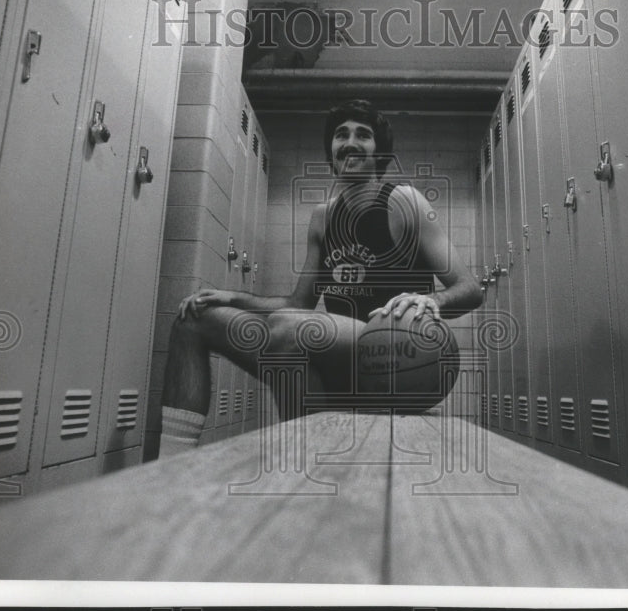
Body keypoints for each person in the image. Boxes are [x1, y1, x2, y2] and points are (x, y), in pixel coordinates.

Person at [158, 99, 483, 457]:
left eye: (364, 135)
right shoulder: (323, 218)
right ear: (331, 151)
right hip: (337, 355)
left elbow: (470, 289)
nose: (350, 142)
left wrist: (431, 300)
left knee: (292, 329)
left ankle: (302, 459)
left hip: (401, 357)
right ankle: (170, 462)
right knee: (194, 320)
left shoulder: (404, 202)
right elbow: (298, 304)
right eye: (341, 135)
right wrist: (231, 298)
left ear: (380, 153)